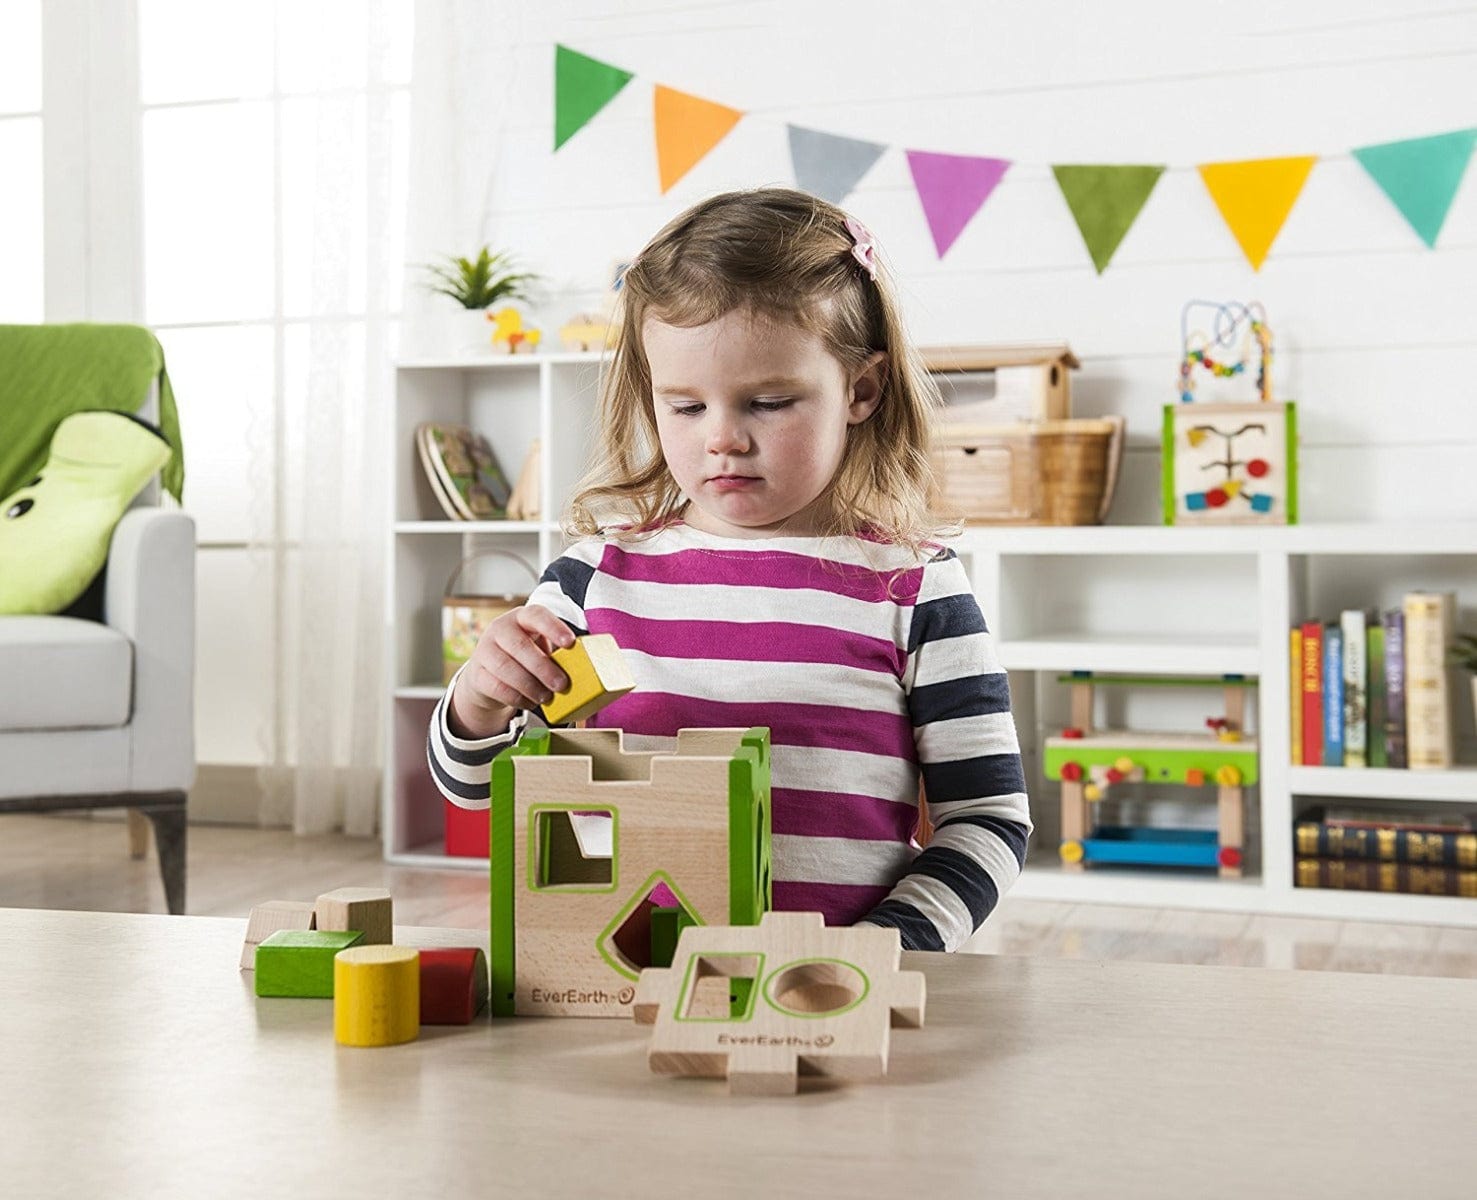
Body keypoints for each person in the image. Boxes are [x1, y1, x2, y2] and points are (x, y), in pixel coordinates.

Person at [427, 187, 1030, 952]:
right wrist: (477, 703)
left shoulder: (915, 590)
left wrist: (881, 950)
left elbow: (987, 820)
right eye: (683, 407)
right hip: (623, 986)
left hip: (826, 996)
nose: (723, 440)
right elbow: (477, 789)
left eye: (769, 402)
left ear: (862, 390)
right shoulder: (592, 578)